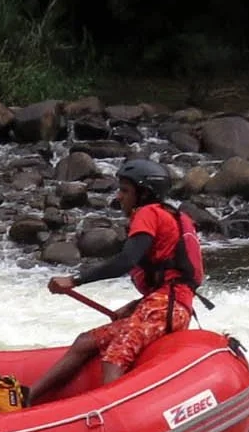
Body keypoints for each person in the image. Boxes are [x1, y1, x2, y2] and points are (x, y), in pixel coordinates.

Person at [24, 157, 208, 405]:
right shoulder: (169, 216)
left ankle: (114, 414)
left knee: (114, 357)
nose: (119, 196)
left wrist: (75, 280)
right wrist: (135, 306)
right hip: (166, 305)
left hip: (165, 308)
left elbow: (126, 261)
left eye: (125, 190)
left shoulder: (147, 213)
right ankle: (28, 398)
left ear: (143, 194)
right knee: (85, 342)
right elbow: (169, 277)